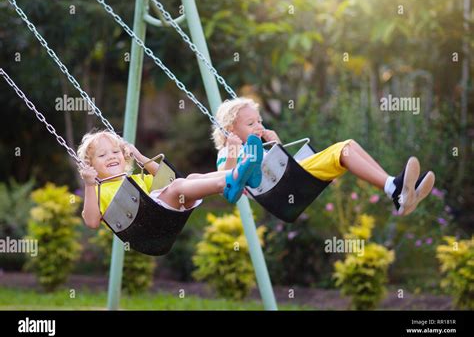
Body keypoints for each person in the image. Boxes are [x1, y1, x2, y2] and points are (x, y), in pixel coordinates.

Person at [212, 97, 435, 216]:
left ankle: (396, 190)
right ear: (230, 129)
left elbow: (282, 164)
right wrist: (232, 148)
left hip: (291, 178)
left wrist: (276, 142)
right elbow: (225, 180)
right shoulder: (229, 150)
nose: (258, 126)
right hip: (279, 190)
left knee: (348, 147)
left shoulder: (262, 148)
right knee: (342, 150)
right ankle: (394, 190)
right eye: (251, 123)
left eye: (259, 121)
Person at [78, 130, 263, 229]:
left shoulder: (135, 179)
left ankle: (242, 175)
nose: (111, 157)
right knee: (178, 186)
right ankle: (232, 180)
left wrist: (141, 157)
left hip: (166, 212)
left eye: (116, 152)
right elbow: (92, 222)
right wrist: (89, 183)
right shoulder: (96, 191)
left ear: (124, 155)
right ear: (91, 166)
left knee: (191, 178)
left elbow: (168, 178)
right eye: (102, 155)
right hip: (149, 224)